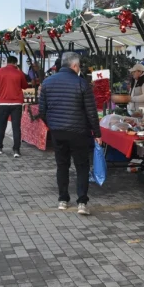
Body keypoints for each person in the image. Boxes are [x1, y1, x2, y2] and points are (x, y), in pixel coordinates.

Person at [39, 52, 101, 216]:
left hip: (58, 132)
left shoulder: (47, 82)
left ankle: (63, 200)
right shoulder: (81, 83)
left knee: (62, 165)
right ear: (74, 66)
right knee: (81, 166)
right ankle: (82, 202)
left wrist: (52, 125)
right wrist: (97, 132)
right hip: (78, 131)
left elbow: (42, 111)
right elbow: (91, 112)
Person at [0, 56, 28, 158]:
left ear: (7, 62)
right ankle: (16, 150)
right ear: (16, 63)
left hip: (3, 103)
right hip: (17, 104)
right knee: (16, 127)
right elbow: (25, 86)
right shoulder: (19, 73)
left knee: (1, 126)